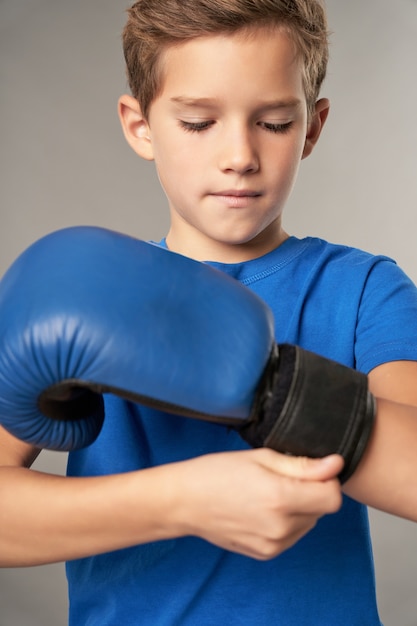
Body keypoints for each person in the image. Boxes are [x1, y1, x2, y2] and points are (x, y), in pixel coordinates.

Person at [1, 0, 417, 623]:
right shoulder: (98, 295)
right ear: (140, 126)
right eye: (198, 122)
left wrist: (274, 393)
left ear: (312, 127)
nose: (240, 155)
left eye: (274, 123)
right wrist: (179, 502)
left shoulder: (362, 289)